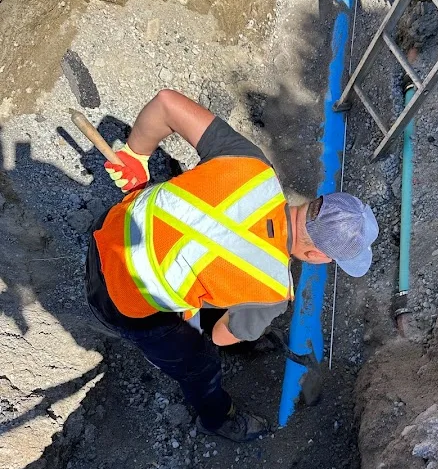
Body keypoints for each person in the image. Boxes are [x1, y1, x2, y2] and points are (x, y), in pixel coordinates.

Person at [85, 89, 378, 441]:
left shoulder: (252, 164)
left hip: (111, 225)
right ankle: (217, 418)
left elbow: (166, 103)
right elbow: (219, 337)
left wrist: (135, 154)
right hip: (118, 299)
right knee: (200, 362)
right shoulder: (271, 292)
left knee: (219, 289)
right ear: (316, 256)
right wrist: (242, 325)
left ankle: (230, 323)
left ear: (316, 202)